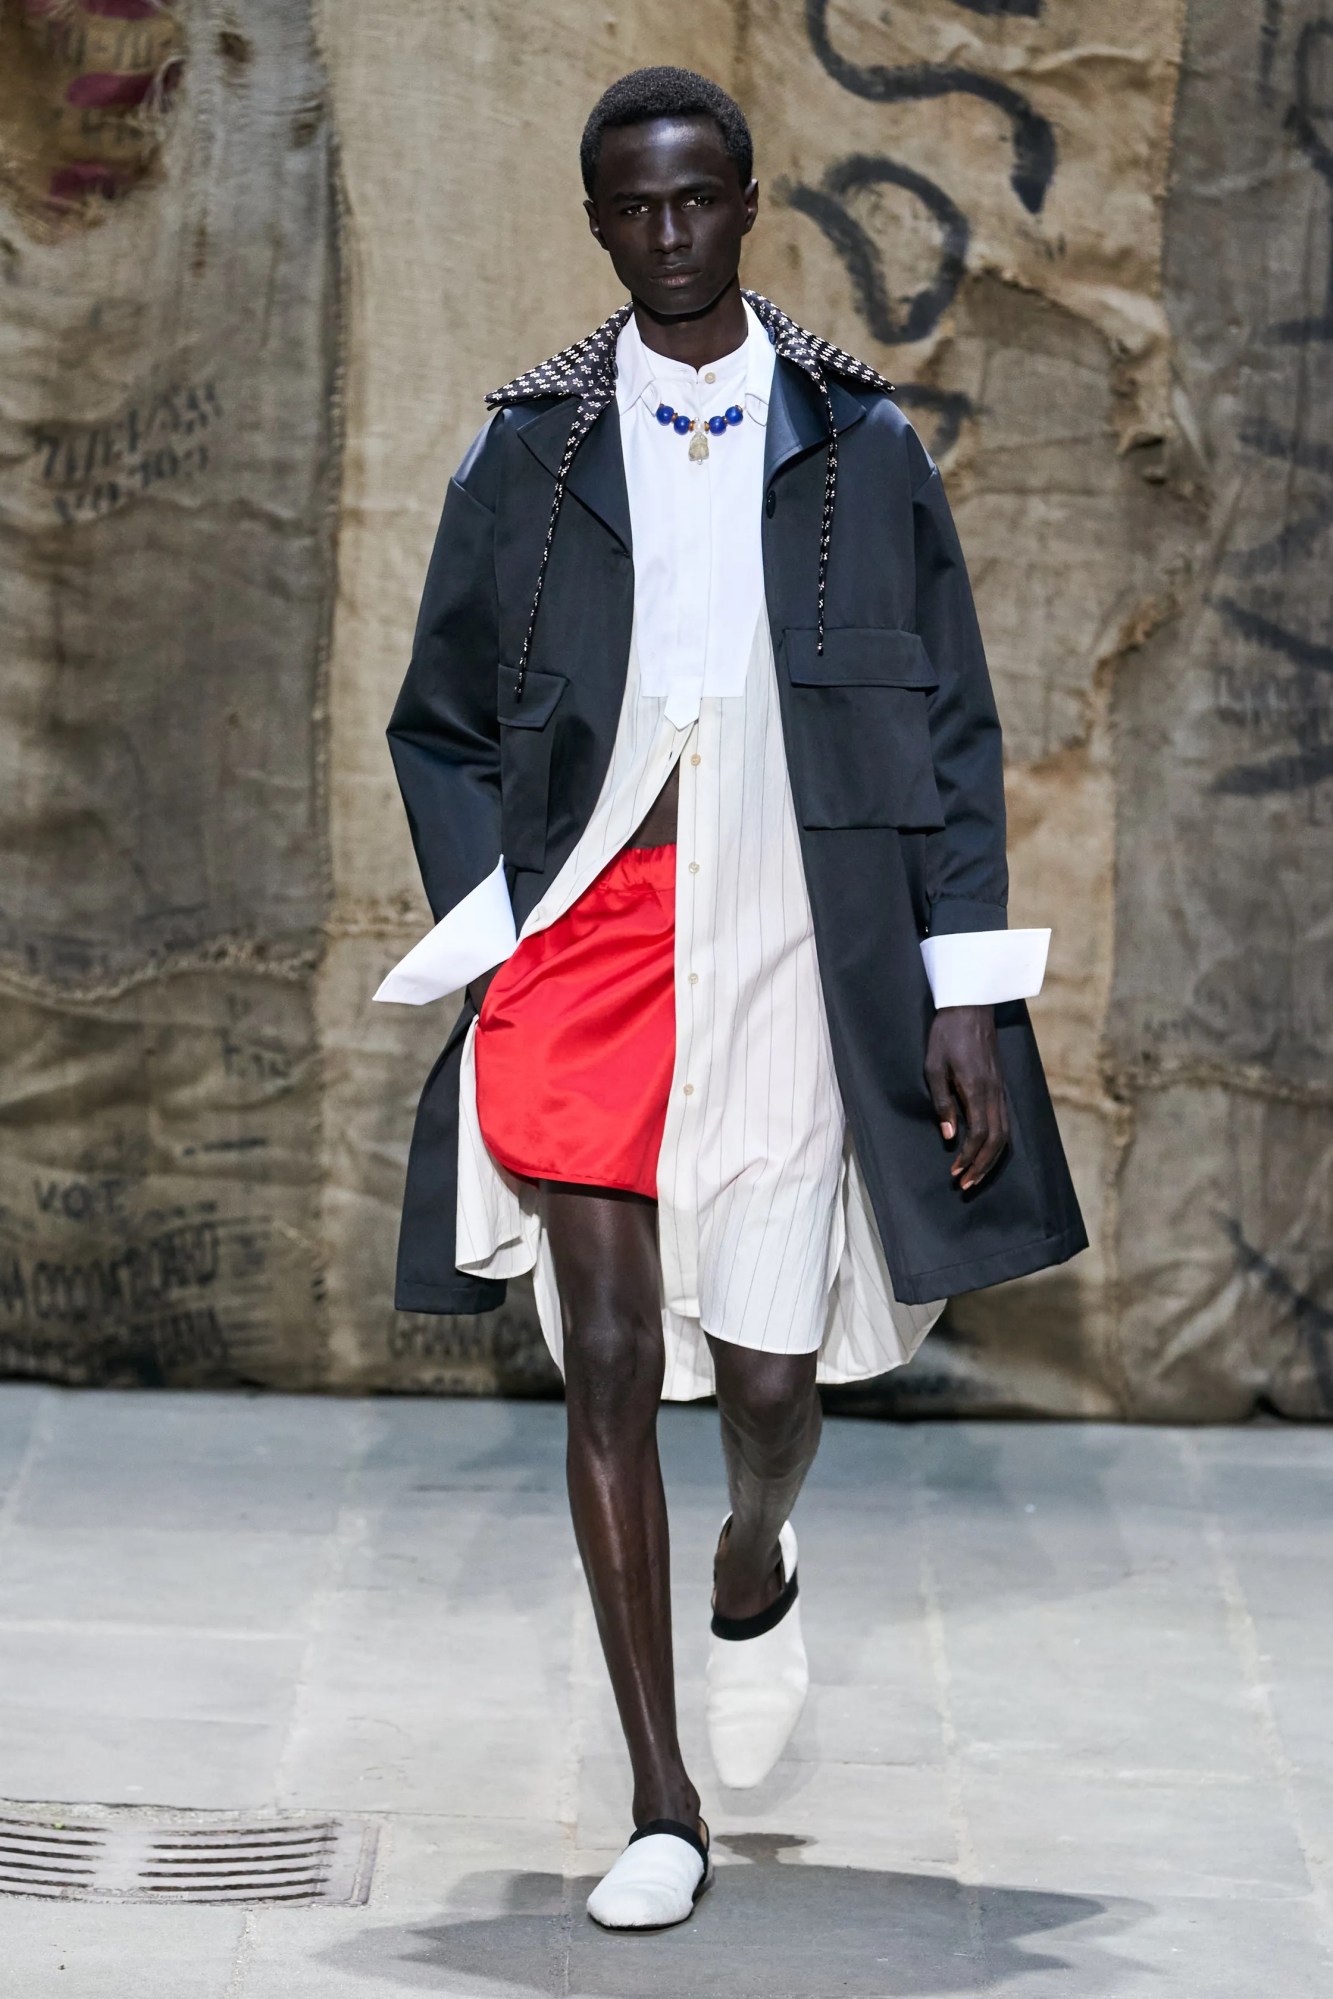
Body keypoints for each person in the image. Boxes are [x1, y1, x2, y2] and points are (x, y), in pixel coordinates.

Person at [383, 66, 1086, 1931]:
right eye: (634, 207)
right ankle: (661, 1803)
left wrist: (955, 987)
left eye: (697, 199)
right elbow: (437, 720)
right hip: (589, 932)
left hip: (794, 922)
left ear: (748, 203)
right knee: (611, 1354)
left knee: (770, 1377)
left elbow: (951, 721)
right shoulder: (528, 451)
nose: (669, 233)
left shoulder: (859, 441)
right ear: (598, 223)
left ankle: (755, 1548)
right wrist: (495, 928)